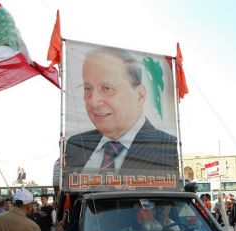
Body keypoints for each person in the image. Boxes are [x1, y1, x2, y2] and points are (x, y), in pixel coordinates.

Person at [65, 46, 178, 176]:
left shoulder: (167, 147)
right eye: (87, 88)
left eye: (107, 88)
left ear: (140, 95)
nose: (93, 102)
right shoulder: (76, 145)